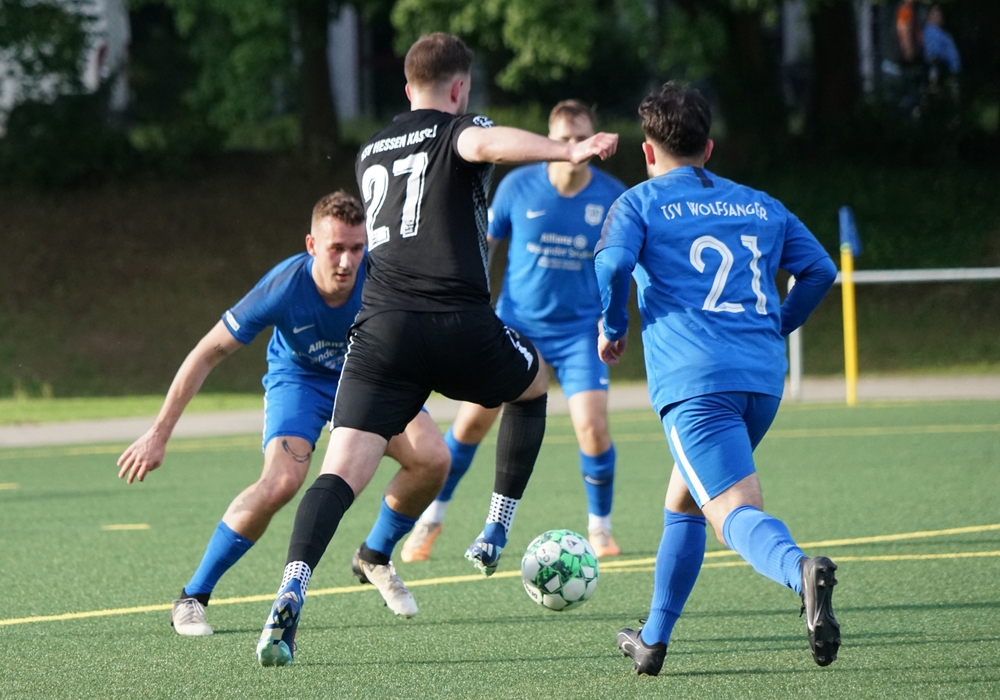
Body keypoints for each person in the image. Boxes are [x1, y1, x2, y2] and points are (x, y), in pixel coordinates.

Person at [255, 33, 617, 667]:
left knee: (339, 473)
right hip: (455, 322)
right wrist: (567, 148)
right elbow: (484, 144)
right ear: (460, 88)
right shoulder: (459, 129)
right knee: (532, 384)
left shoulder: (370, 150)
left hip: (380, 331)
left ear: (405, 88)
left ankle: (291, 588)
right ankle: (496, 525)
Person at [116, 191, 449, 636]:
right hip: (300, 381)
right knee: (281, 482)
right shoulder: (283, 287)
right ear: (312, 245)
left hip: (366, 377)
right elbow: (206, 353)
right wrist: (159, 433)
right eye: (336, 248)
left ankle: (374, 556)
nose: (347, 261)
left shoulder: (382, 277)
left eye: (357, 248)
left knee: (433, 458)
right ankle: (192, 597)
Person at [594, 82, 840, 676]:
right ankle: (652, 641)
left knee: (732, 510)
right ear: (708, 148)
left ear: (647, 151)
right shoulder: (760, 204)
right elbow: (819, 270)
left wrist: (612, 324)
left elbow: (613, 262)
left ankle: (799, 569)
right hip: (762, 382)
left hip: (696, 384)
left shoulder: (639, 202)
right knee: (684, 500)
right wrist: (775, 327)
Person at [401, 100, 627, 564]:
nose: (573, 146)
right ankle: (431, 518)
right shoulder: (517, 186)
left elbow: (627, 263)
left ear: (593, 139)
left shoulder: (612, 197)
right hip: (516, 325)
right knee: (471, 422)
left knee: (593, 427)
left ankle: (600, 527)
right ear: (550, 141)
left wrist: (613, 317)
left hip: (580, 333)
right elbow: (480, 246)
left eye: (580, 137)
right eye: (563, 138)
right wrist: (466, 306)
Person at [923, 5, 961, 76]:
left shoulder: (945, 36)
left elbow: (953, 57)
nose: (935, 17)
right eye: (933, 14)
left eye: (938, 15)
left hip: (941, 68)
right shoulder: (923, 30)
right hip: (925, 67)